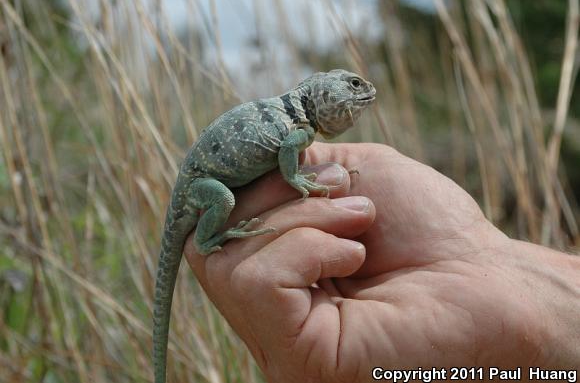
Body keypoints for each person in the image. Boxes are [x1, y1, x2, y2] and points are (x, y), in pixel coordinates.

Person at [185, 142, 580, 383]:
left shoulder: (302, 134)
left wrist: (480, 260)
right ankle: (210, 237)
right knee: (225, 204)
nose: (361, 93)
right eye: (351, 86)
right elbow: (289, 154)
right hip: (202, 189)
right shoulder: (297, 132)